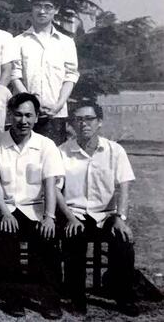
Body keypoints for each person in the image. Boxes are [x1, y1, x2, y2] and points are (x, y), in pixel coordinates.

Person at [0, 93, 64, 319]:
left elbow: (50, 183)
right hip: (6, 208)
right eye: (18, 115)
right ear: (10, 115)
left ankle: (50, 300)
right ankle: (13, 299)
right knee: (5, 240)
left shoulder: (46, 145)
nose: (23, 121)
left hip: (36, 209)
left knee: (47, 241)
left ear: (37, 117)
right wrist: (5, 213)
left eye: (29, 115)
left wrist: (49, 216)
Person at [56, 102, 139, 316]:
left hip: (106, 214)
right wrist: (70, 218)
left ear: (99, 122)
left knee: (123, 240)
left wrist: (120, 217)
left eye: (89, 119)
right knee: (74, 238)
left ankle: (123, 295)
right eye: (78, 119)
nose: (83, 124)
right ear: (72, 123)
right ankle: (77, 297)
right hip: (74, 213)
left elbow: (124, 186)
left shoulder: (115, 150)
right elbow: (55, 190)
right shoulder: (62, 152)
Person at [11, 0, 79, 145]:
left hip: (55, 114)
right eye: (38, 6)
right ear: (31, 8)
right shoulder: (18, 41)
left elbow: (71, 76)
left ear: (56, 10)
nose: (42, 11)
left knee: (53, 157)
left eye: (48, 7)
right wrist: (31, 104)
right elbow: (15, 76)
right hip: (25, 115)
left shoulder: (66, 42)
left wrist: (58, 105)